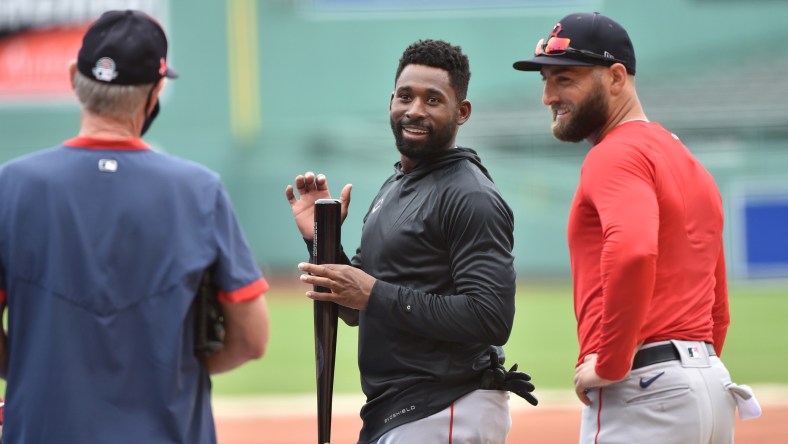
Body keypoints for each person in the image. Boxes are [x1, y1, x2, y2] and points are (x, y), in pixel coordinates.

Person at [0, 10, 270, 443]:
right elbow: (252, 339)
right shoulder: (199, 190)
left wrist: (34, 373)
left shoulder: (10, 185)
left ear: (74, 77)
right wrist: (172, 377)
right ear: (157, 89)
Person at [512, 11, 760, 443]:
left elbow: (633, 251)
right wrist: (692, 373)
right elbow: (718, 304)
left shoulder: (614, 154)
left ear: (616, 77)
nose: (548, 97)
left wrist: (611, 362)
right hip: (709, 385)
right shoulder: (688, 161)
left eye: (564, 79)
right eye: (545, 81)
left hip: (644, 392)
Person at [286, 39, 536, 443]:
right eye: (406, 96)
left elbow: (491, 317)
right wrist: (321, 242)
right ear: (391, 102)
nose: (415, 110)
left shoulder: (471, 195)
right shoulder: (396, 186)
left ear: (462, 111)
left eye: (433, 99)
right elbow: (357, 307)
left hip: (446, 408)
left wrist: (373, 294)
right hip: (401, 412)